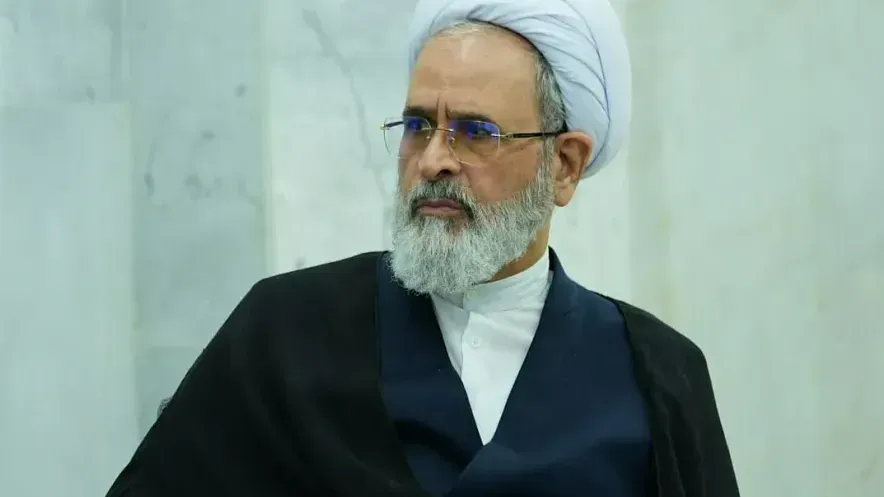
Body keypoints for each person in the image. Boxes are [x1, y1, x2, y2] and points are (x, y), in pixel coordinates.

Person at [106, 0, 740, 495]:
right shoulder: (286, 332)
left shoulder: (660, 374)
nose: (434, 159)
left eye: (475, 131)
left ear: (565, 165)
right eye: (418, 126)